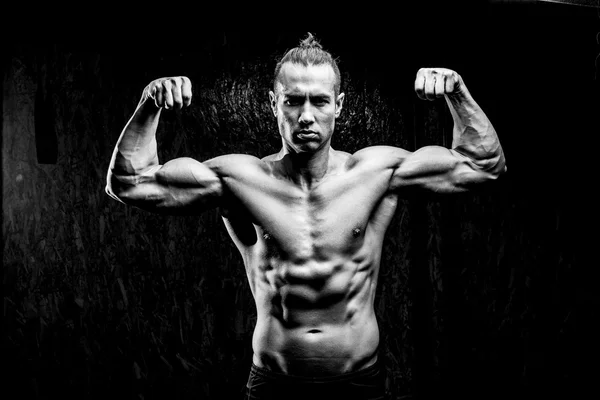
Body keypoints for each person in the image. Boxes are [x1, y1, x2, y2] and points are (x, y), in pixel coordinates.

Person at [106, 33, 506, 400]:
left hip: (358, 384)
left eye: (319, 101)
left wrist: (457, 92)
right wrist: (149, 104)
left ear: (339, 105)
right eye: (293, 100)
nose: (306, 116)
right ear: (273, 104)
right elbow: (130, 183)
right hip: (274, 386)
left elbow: (483, 166)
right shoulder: (239, 178)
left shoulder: (376, 172)